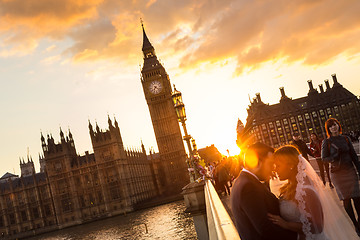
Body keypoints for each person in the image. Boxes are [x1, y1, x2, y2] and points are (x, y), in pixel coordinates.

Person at [269, 145, 359, 239]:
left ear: (290, 165)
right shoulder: (288, 187)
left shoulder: (306, 190)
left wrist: (286, 225)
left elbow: (318, 227)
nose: (275, 170)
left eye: (278, 165)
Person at [230, 142, 297, 240]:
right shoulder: (249, 187)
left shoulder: (242, 180)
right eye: (270, 164)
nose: (272, 170)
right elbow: (266, 229)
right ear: (258, 162)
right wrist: (298, 237)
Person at [321, 118, 360, 233]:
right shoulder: (326, 142)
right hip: (338, 174)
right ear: (328, 129)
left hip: (350, 171)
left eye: (335, 125)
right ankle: (355, 224)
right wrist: (334, 157)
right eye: (331, 126)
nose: (334, 127)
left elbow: (353, 155)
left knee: (358, 198)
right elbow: (324, 159)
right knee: (346, 199)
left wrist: (358, 168)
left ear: (338, 125)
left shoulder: (346, 138)